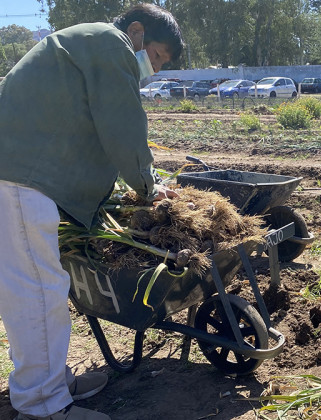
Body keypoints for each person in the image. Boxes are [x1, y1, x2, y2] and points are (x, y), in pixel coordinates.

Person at [0, 4, 184, 419]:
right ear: (136, 32)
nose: (153, 68)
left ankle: (51, 383)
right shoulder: (110, 43)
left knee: (33, 292)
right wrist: (148, 185)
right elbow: (121, 123)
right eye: (156, 57)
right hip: (18, 180)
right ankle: (44, 407)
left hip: (20, 176)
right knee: (37, 293)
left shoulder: (81, 43)